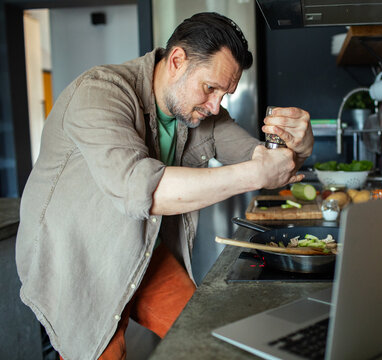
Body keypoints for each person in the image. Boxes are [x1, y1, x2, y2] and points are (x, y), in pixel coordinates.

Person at [15, 12, 313, 360]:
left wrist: (300, 146)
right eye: (210, 88)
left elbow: (259, 158)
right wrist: (256, 174)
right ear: (176, 60)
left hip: (143, 251)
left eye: (225, 93)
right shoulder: (99, 92)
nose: (216, 105)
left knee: (207, 340)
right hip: (82, 262)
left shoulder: (201, 112)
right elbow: (141, 189)